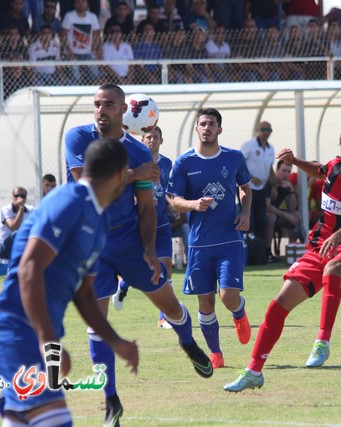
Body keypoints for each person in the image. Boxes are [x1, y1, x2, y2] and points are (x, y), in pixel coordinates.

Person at [65, 84, 213, 425]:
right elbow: (86, 187)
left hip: (128, 242)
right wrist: (132, 176)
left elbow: (147, 209)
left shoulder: (139, 153)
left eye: (109, 105)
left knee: (171, 307)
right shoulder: (77, 139)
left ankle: (188, 343)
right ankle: (112, 402)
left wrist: (148, 249)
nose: (101, 110)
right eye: (97, 104)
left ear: (124, 111)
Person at [0, 138, 139, 427]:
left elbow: (85, 294)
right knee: (55, 419)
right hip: (13, 330)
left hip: (26, 335)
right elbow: (29, 269)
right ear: (120, 174)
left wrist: (116, 341)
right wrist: (48, 341)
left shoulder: (99, 220)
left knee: (26, 420)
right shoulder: (70, 201)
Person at [224, 123, 341, 392]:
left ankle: (322, 341)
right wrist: (294, 161)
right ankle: (253, 371)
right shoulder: (334, 167)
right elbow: (319, 171)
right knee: (277, 305)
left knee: (332, 270)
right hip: (318, 249)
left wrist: (337, 238)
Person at [167, 107, 253, 370]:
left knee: (228, 295)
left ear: (220, 129)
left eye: (212, 124)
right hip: (199, 244)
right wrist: (193, 204)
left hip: (229, 240)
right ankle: (215, 353)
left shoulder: (234, 158)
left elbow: (245, 188)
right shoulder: (184, 163)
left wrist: (246, 212)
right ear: (196, 128)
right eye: (203, 123)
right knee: (205, 303)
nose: (207, 128)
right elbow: (173, 201)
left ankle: (238, 312)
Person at [113, 126, 175, 330]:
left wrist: (171, 203)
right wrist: (140, 200)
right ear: (142, 140)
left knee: (166, 267)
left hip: (162, 224)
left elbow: (167, 189)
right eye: (148, 137)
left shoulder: (166, 163)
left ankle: (163, 317)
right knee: (137, 268)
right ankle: (123, 285)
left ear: (161, 140)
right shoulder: (135, 161)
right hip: (140, 224)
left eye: (156, 137)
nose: (152, 140)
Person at [240, 121, 276, 262]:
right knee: (249, 218)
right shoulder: (248, 145)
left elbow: (270, 168)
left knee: (261, 220)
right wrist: (250, 177)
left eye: (269, 129)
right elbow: (239, 163)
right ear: (257, 130)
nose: (266, 132)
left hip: (262, 189)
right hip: (247, 188)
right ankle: (247, 253)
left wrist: (273, 186)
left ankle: (261, 254)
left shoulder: (271, 148)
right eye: (264, 129)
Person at [265, 159, 303, 257]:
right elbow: (267, 207)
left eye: (288, 171)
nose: (286, 174)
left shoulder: (286, 184)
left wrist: (291, 190)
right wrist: (287, 216)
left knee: (297, 215)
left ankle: (292, 252)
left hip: (276, 214)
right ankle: (267, 253)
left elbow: (292, 208)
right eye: (283, 171)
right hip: (261, 215)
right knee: (271, 217)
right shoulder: (269, 182)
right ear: (276, 170)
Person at [0, 186, 34, 260]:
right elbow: (14, 227)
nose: (19, 198)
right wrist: (21, 209)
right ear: (12, 197)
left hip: (22, 245)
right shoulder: (6, 209)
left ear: (25, 198)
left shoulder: (31, 210)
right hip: (4, 247)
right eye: (16, 196)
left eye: (22, 196)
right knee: (17, 234)